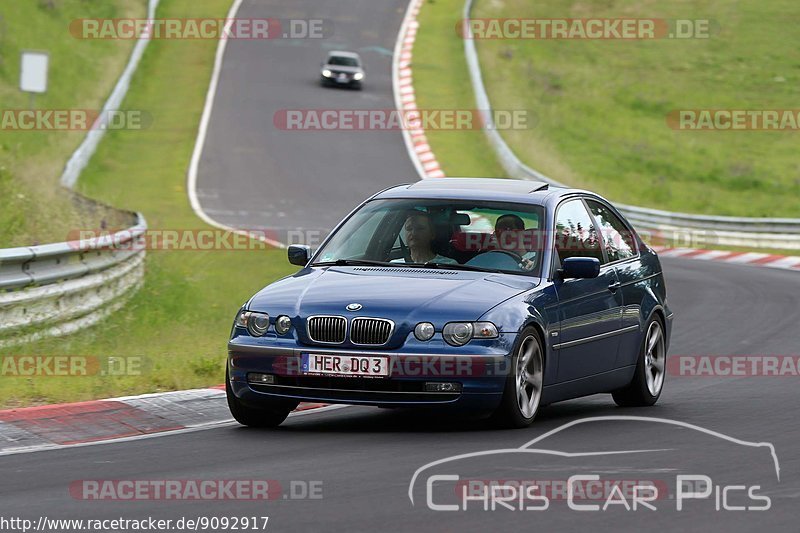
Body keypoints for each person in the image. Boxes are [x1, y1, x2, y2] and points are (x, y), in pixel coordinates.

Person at [392, 211, 457, 264]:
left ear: (432, 234)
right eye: (409, 228)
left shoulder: (449, 265)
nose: (413, 233)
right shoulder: (394, 265)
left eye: (420, 228)